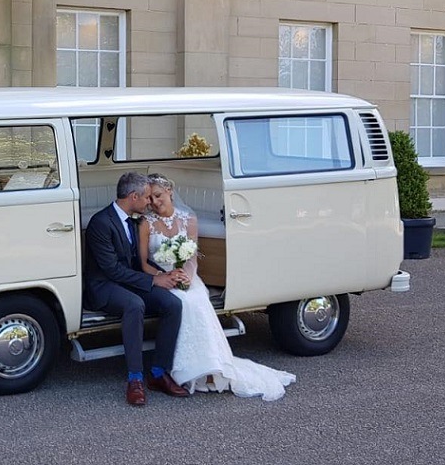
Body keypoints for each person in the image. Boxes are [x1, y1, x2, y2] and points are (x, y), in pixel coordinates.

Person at [138, 173, 296, 401]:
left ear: (170, 191)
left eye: (158, 195)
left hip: (185, 276)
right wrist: (164, 275)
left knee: (197, 300)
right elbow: (143, 263)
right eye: (150, 198)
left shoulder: (188, 219)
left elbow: (192, 256)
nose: (154, 201)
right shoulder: (146, 223)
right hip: (160, 277)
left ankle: (213, 367)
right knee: (183, 303)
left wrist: (188, 277)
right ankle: (189, 371)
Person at [84, 172, 190, 406]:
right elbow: (112, 270)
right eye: (146, 198)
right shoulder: (101, 223)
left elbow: (136, 262)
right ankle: (135, 379)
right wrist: (153, 282)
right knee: (135, 304)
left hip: (129, 281)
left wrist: (164, 275)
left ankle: (159, 373)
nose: (149, 203)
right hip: (104, 286)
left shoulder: (133, 220)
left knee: (173, 304)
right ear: (133, 197)